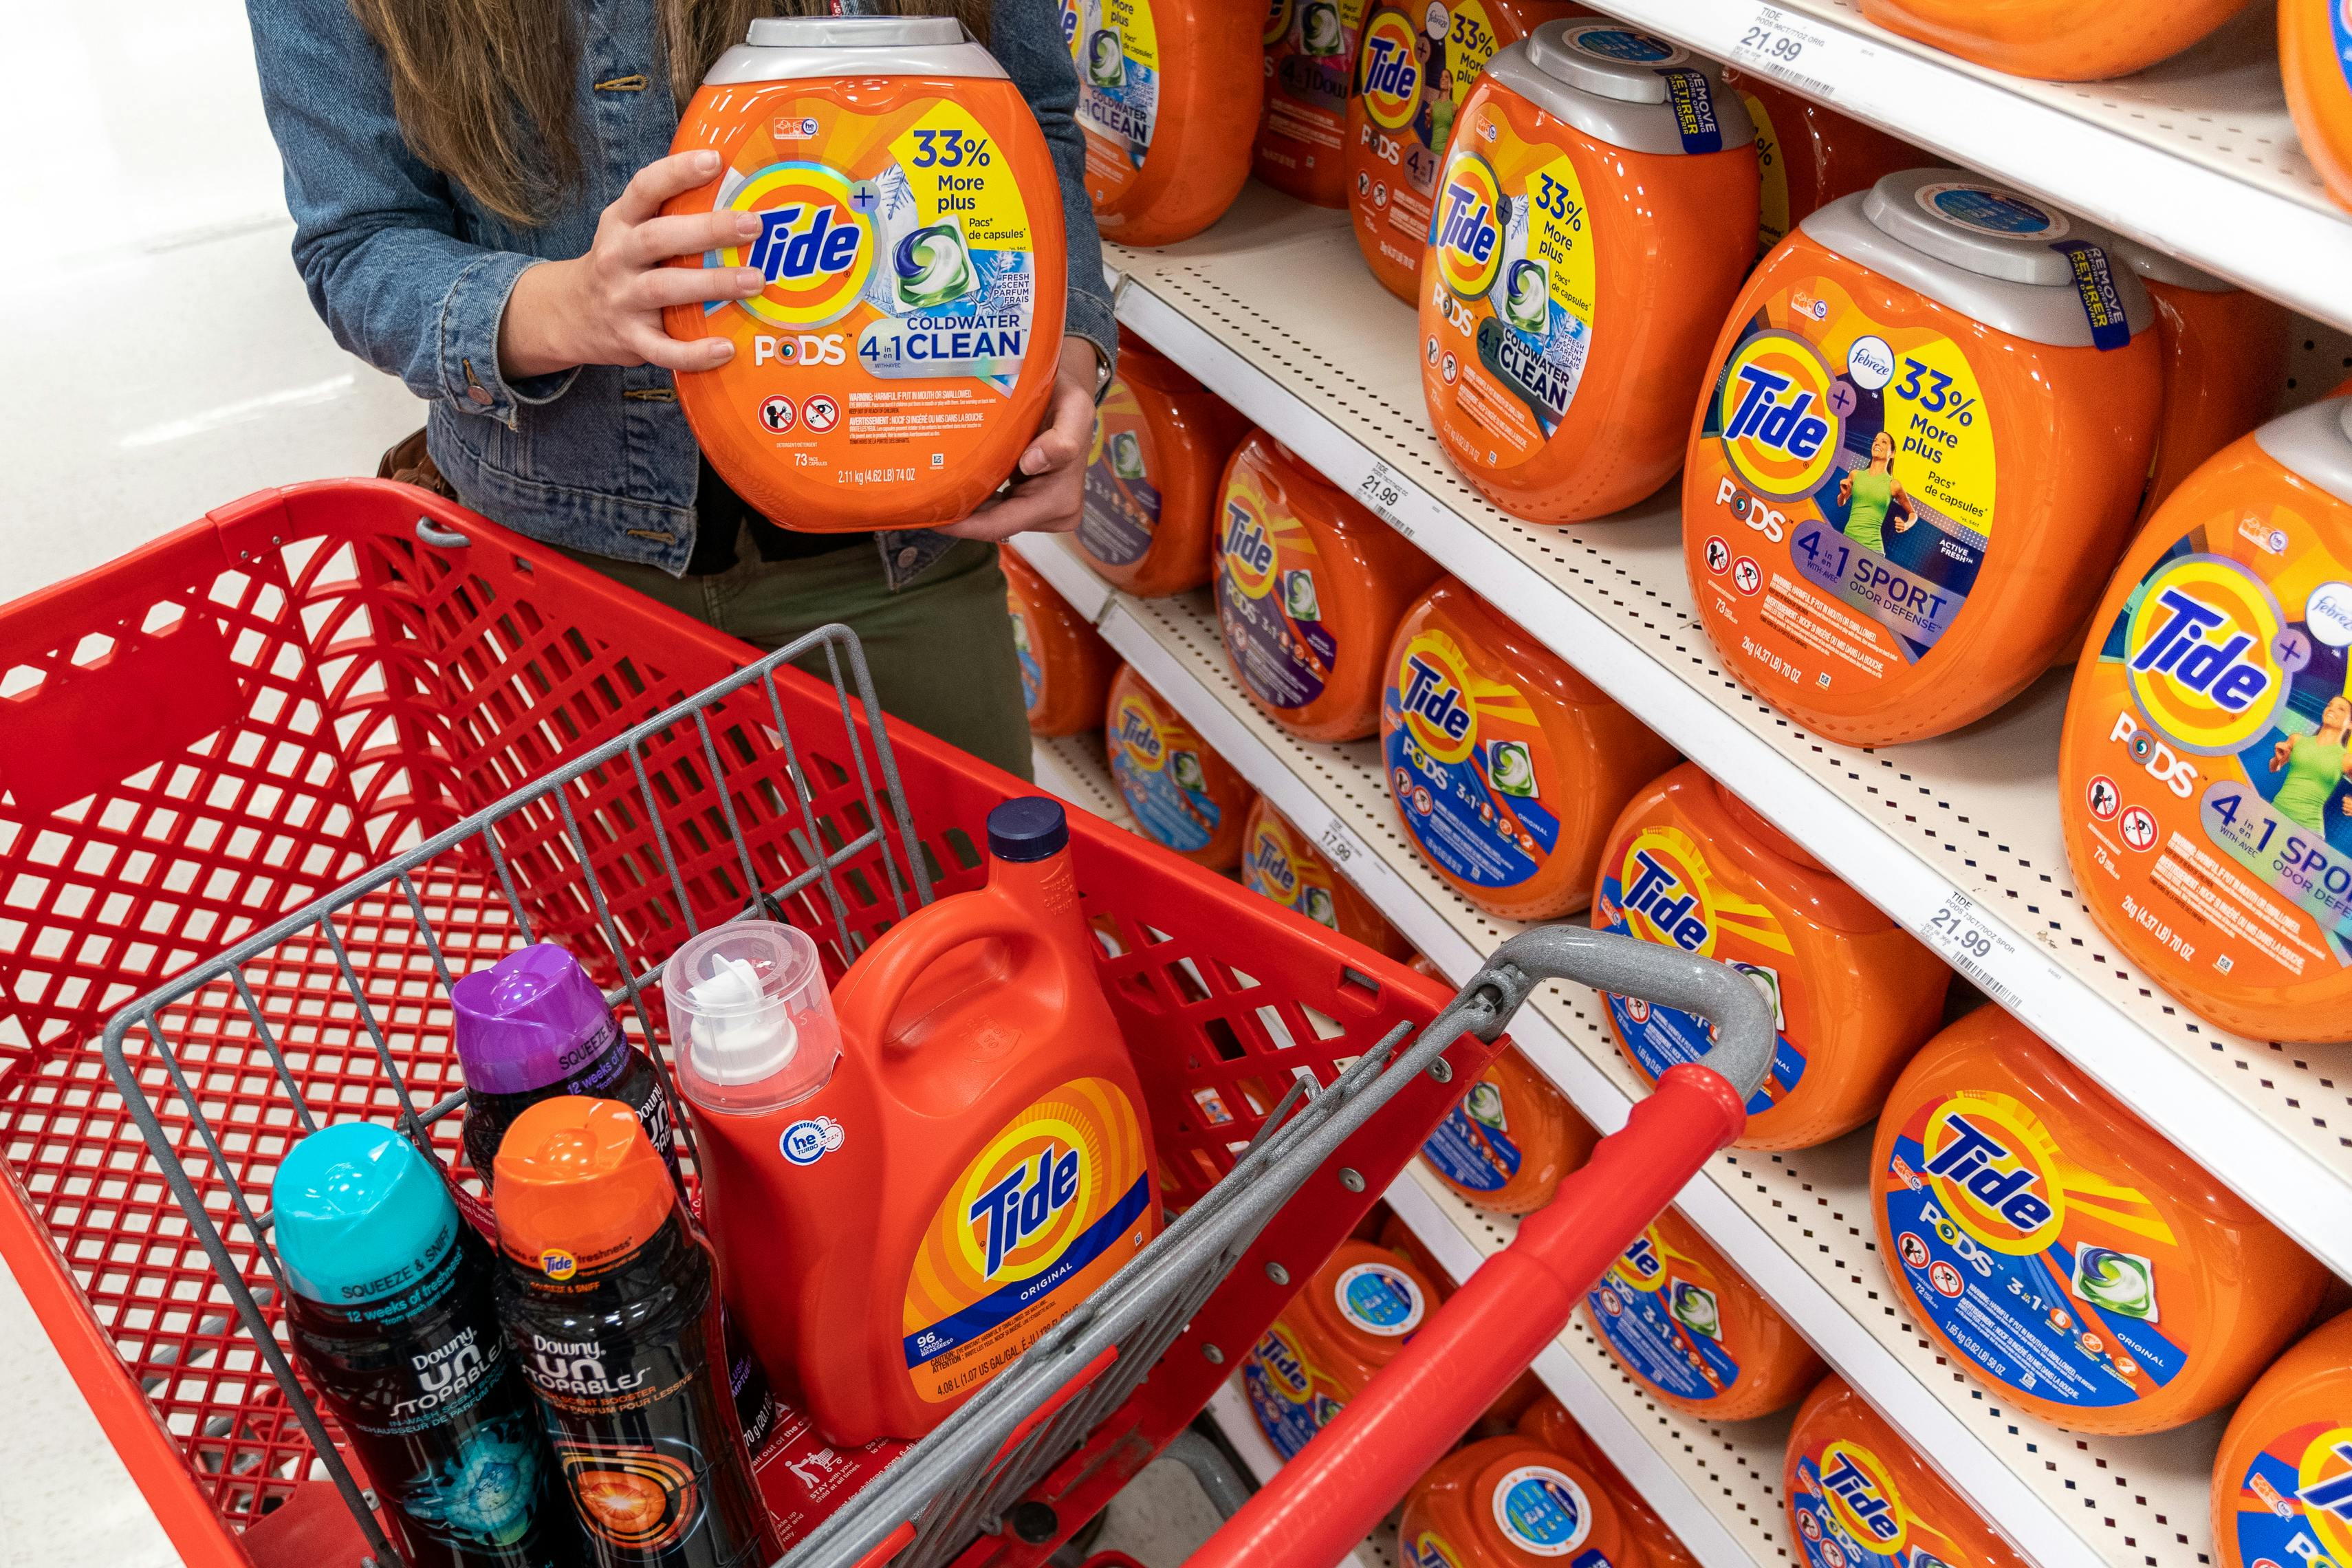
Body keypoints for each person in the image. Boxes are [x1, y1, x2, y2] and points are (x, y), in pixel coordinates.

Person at [246, 0, 1118, 779]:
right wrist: (562, 307)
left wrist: (1065, 348)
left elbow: (1029, 120)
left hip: (900, 542)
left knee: (970, 931)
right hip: (568, 574)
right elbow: (357, 241)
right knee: (661, 943)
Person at [2267, 694, 2352, 829]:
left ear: (2350, 724)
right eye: (2330, 705)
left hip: (2308, 830)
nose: (2331, 709)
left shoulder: (2347, 760)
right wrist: (2277, 759)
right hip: (2274, 814)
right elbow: (2274, 768)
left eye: (2341, 709)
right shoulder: (2297, 739)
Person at [1837, 430, 1913, 556]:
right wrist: (1843, 494)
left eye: (1884, 442)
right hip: (1847, 541)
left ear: (1892, 454)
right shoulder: (1855, 475)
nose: (1877, 444)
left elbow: (1913, 514)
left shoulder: (1893, 485)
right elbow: (1841, 503)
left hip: (1872, 549)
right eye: (1875, 441)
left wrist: (1906, 525)